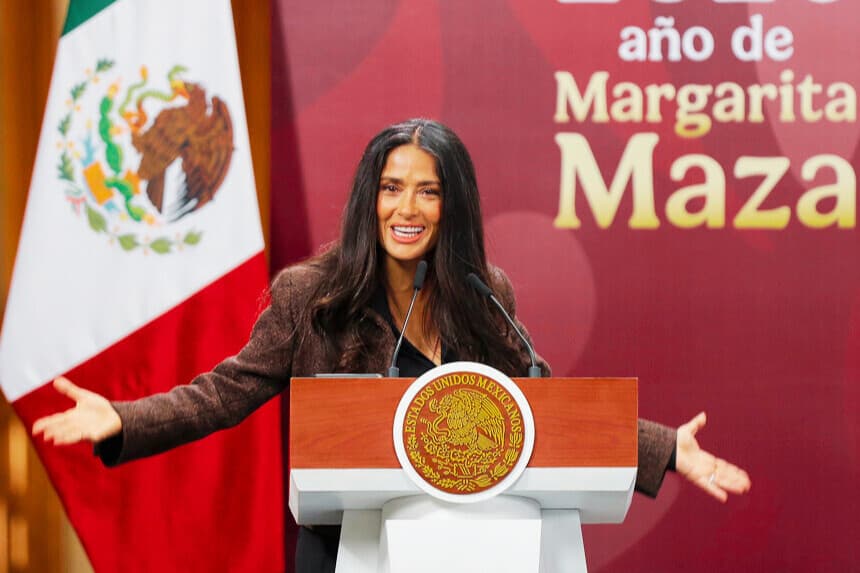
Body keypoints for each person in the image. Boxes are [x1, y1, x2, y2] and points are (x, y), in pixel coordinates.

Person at [33, 118, 750, 572]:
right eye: (391, 188)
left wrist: (660, 448)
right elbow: (225, 392)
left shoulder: (483, 288)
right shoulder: (312, 294)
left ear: (454, 204)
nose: (407, 209)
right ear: (367, 198)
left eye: (429, 192)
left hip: (473, 552)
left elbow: (537, 417)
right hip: (348, 548)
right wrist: (124, 417)